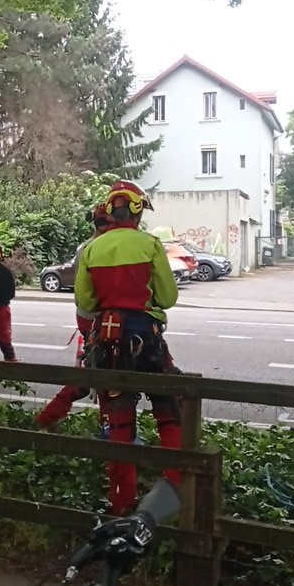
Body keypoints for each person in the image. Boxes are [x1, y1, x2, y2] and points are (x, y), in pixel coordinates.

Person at [74, 180, 183, 516]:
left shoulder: (93, 249)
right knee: (169, 407)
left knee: (119, 421)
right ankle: (175, 484)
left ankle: (122, 500)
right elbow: (167, 298)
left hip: (108, 341)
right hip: (146, 338)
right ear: (136, 211)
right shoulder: (150, 245)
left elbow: (85, 302)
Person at [35, 204, 112, 430]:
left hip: (88, 317)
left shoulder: (84, 248)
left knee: (95, 373)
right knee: (105, 376)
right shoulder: (100, 247)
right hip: (100, 318)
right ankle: (108, 430)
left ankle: (47, 418)